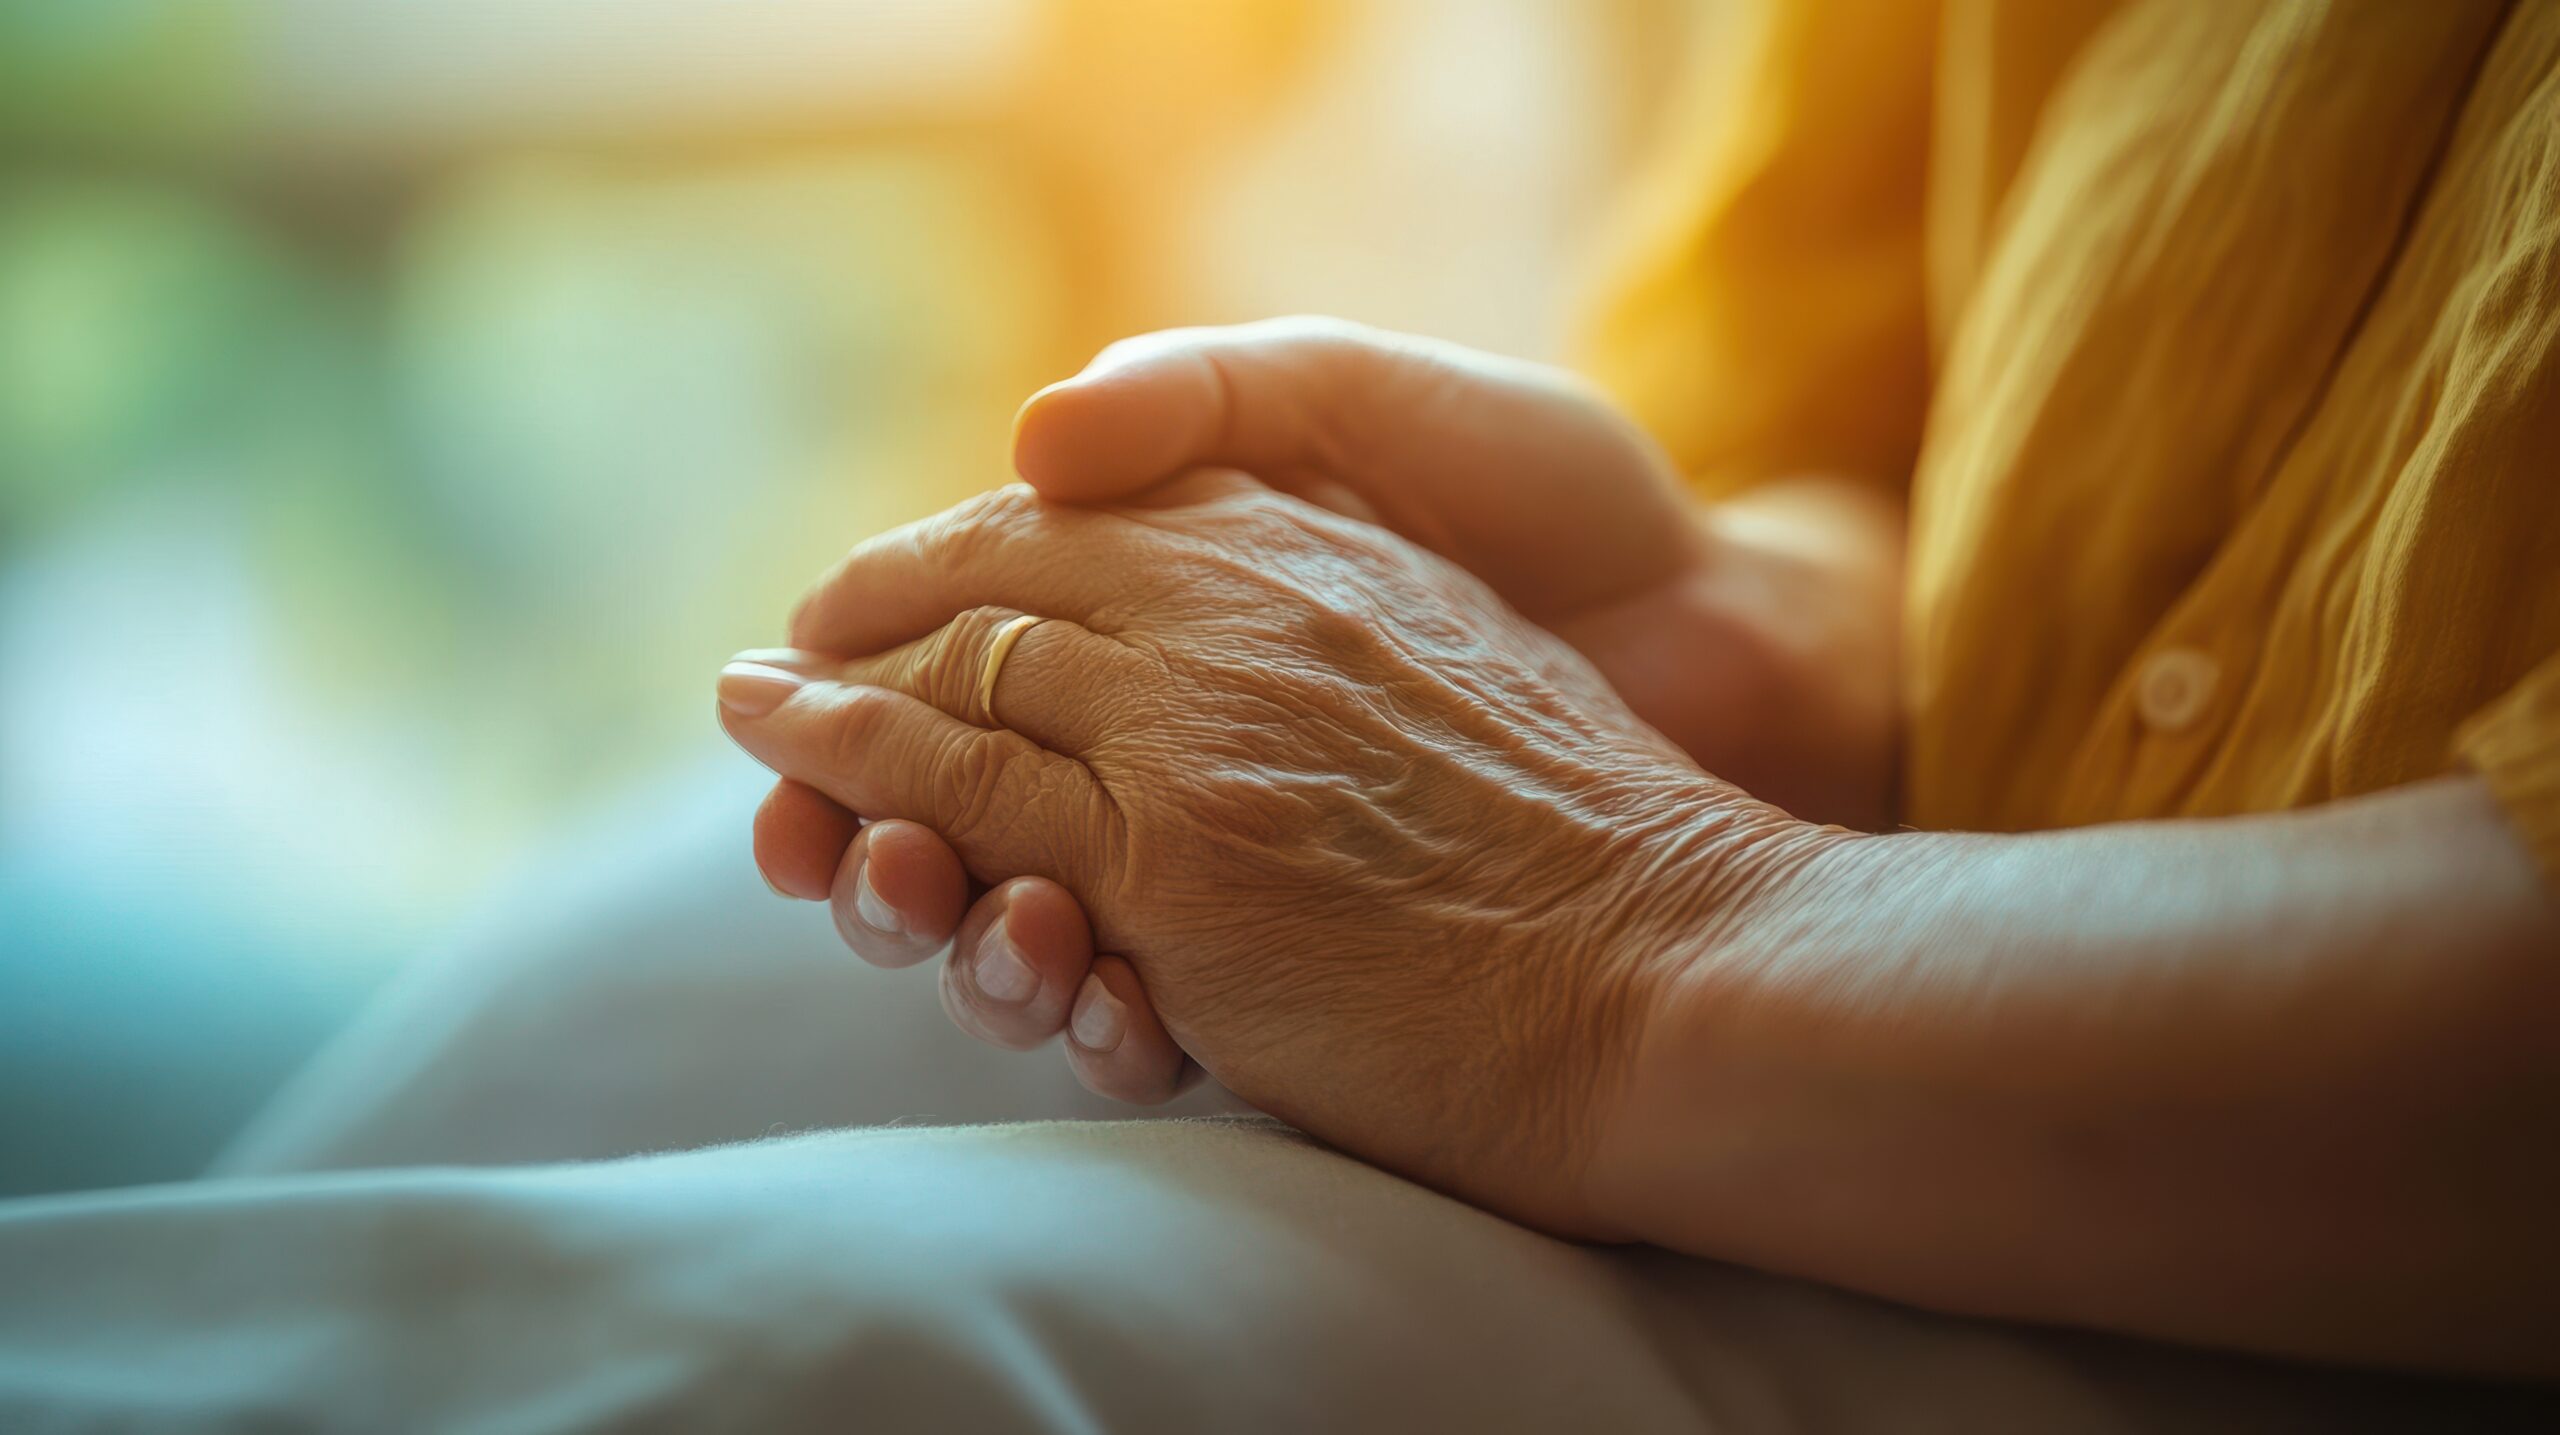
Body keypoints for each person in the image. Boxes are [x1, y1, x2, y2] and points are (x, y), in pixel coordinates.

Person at [2, 1, 2554, 1427]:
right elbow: (1861, 360)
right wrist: (1756, 637)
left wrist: (1624, 940)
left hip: (2260, 1250)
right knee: (689, 969)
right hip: (1863, 885)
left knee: (829, 1359)